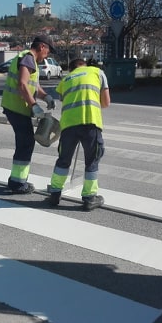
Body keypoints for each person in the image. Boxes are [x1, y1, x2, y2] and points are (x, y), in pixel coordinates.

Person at [48, 54, 110, 211]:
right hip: (90, 121)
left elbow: (66, 100)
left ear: (71, 69)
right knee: (92, 160)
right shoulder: (96, 72)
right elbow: (106, 103)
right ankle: (89, 197)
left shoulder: (65, 80)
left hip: (68, 124)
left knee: (63, 160)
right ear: (84, 65)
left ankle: (55, 193)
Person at [1, 35, 56, 194]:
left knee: (25, 143)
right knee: (25, 144)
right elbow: (22, 84)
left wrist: (45, 96)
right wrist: (34, 105)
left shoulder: (28, 59)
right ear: (41, 47)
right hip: (17, 109)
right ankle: (18, 183)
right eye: (48, 51)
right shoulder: (28, 59)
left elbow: (33, 85)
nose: (48, 55)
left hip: (16, 108)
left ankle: (17, 180)